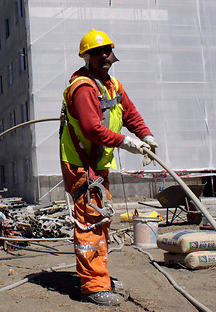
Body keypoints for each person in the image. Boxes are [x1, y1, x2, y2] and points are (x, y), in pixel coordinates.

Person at [59, 29, 157, 307]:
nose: (104, 56)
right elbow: (91, 128)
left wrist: (145, 135)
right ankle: (93, 287)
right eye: (97, 52)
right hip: (81, 164)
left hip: (98, 166)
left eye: (107, 51)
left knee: (101, 219)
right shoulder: (83, 88)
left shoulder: (112, 85)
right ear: (87, 57)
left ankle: (100, 277)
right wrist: (126, 142)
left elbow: (130, 113)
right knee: (90, 222)